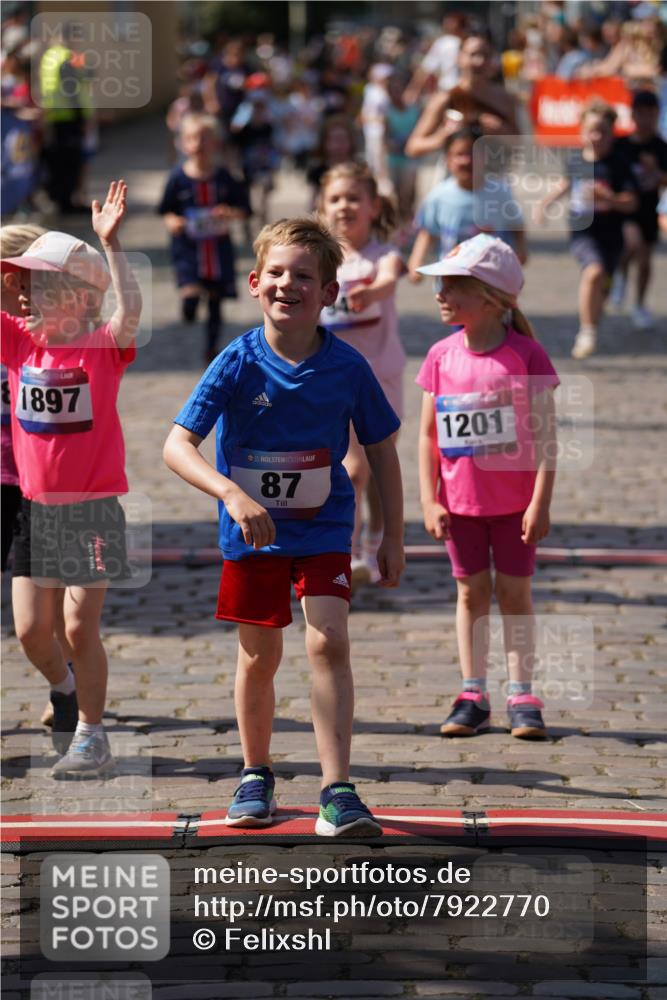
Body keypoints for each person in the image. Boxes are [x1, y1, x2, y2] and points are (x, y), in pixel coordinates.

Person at [163, 217, 404, 837]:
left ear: (328, 293)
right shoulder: (236, 361)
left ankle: (337, 789)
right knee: (259, 654)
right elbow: (177, 446)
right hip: (254, 536)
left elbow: (382, 449)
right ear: (254, 282)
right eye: (275, 273)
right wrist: (231, 494)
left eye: (303, 276)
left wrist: (394, 535)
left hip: (324, 528)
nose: (286, 284)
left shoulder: (347, 367)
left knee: (328, 641)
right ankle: (255, 774)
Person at [0, 180, 142, 778]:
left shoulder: (102, 347)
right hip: (36, 511)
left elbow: (130, 312)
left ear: (80, 299)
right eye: (24, 286)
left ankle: (91, 734)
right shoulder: (18, 345)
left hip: (92, 510)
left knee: (81, 626)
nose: (26, 296)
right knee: (33, 631)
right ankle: (63, 687)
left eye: (40, 286)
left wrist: (111, 246)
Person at [416, 234, 559, 740]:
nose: (440, 294)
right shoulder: (439, 356)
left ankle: (523, 694)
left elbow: (546, 439)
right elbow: (428, 436)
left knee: (515, 595)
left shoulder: (527, 356)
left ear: (492, 299)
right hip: (460, 507)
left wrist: (540, 502)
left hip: (516, 507)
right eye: (441, 284)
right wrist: (429, 499)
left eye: (454, 286)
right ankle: (473, 693)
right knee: (470, 594)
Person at [318, 163, 407, 590]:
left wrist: (371, 291)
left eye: (354, 198)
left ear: (374, 207)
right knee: (352, 469)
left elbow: (388, 280)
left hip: (383, 376)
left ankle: (375, 542)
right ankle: (349, 555)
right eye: (335, 199)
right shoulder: (319, 261)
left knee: (377, 468)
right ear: (322, 207)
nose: (344, 206)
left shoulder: (384, 255)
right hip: (336, 380)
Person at [537, 100, 638, 359]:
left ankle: (593, 321)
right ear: (581, 131)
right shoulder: (575, 160)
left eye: (603, 131)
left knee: (603, 286)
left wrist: (609, 199)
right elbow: (565, 184)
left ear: (612, 132)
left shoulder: (619, 164)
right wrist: (544, 204)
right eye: (592, 130)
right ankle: (586, 332)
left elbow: (631, 202)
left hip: (612, 235)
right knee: (594, 272)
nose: (597, 137)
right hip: (583, 232)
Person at [158, 113, 251, 364]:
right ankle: (188, 305)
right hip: (188, 250)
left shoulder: (224, 178)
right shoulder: (177, 178)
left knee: (215, 301)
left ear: (216, 143)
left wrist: (230, 213)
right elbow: (166, 209)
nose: (198, 144)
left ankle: (212, 347)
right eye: (192, 138)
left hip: (218, 250)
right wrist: (172, 221)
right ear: (182, 143)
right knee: (191, 292)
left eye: (205, 138)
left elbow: (245, 209)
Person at [408, 125, 527, 281]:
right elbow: (428, 232)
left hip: (492, 276)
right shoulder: (438, 196)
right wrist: (416, 262)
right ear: (447, 159)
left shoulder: (500, 193)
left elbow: (516, 224)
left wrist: (521, 251)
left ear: (484, 157)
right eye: (459, 154)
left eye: (472, 154)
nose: (466, 160)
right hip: (451, 278)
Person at [405, 33, 520, 161]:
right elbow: (413, 147)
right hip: (457, 170)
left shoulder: (505, 99)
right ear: (459, 58)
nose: (479, 61)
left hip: (495, 170)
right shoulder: (447, 98)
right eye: (473, 55)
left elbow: (520, 146)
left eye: (485, 55)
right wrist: (442, 137)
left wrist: (501, 131)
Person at [610, 90, 667, 329]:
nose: (646, 120)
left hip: (649, 208)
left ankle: (640, 304)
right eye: (641, 114)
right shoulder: (620, 145)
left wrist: (655, 172)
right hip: (624, 209)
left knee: (645, 260)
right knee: (630, 244)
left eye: (651, 114)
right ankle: (619, 275)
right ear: (633, 115)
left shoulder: (660, 147)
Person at [382, 71, 421, 237]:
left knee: (409, 192)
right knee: (397, 193)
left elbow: (420, 133)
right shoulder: (388, 114)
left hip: (410, 159)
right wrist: (392, 145)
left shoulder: (414, 111)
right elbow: (385, 139)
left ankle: (409, 222)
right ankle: (399, 226)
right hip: (394, 159)